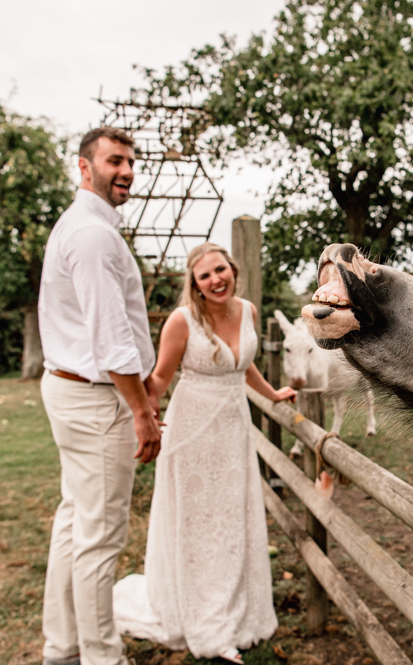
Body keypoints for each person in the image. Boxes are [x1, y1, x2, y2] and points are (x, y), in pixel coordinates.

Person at [113, 242, 296, 664]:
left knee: (231, 517)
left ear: (233, 269)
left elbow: (243, 362)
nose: (216, 280)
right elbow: (159, 377)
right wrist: (141, 410)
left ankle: (238, 611)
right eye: (205, 276)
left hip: (233, 430)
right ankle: (207, 624)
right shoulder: (181, 322)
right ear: (194, 285)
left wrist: (272, 393)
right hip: (192, 432)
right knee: (199, 523)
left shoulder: (247, 310)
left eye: (220, 270)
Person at [38, 126, 163, 665]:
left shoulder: (84, 227)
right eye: (115, 160)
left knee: (75, 523)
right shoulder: (91, 235)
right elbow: (112, 339)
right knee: (100, 538)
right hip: (97, 402)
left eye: (131, 161)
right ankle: (101, 657)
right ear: (84, 168)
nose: (127, 170)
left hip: (73, 391)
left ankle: (62, 649)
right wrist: (141, 411)